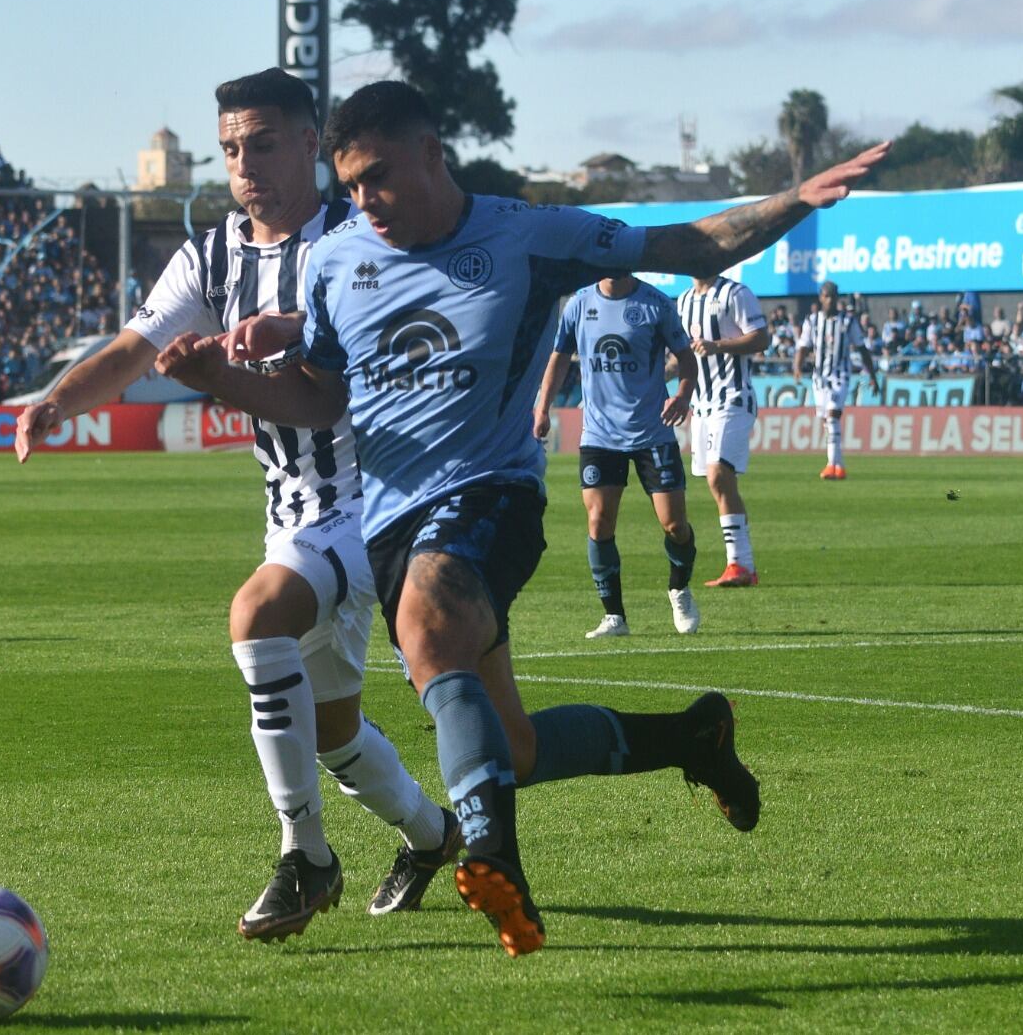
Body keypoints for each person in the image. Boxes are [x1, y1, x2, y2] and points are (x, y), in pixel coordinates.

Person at [156, 80, 886, 957]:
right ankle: (695, 737)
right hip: (390, 527)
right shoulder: (337, 262)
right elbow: (319, 397)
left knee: (429, 621)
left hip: (492, 494)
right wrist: (221, 381)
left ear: (432, 153)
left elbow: (686, 243)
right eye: (349, 185)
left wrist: (794, 201)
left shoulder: (528, 234)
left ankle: (493, 857)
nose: (364, 200)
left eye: (378, 175)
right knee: (515, 747)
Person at [14, 69, 457, 944]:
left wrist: (227, 371)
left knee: (256, 615)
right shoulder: (211, 256)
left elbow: (330, 399)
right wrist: (56, 402)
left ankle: (306, 856)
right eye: (228, 150)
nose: (243, 165)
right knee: (333, 733)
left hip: (372, 503)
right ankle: (434, 834)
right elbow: (132, 348)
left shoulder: (356, 244)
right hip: (290, 512)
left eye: (261, 144)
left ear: (310, 145)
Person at [532, 275, 701, 638]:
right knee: (599, 521)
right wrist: (542, 407)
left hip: (652, 430)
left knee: (674, 525)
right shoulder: (578, 304)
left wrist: (683, 395)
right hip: (600, 434)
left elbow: (687, 358)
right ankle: (614, 616)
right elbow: (558, 358)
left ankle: (679, 588)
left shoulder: (656, 304)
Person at [678, 274, 770, 587]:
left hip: (733, 397)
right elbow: (683, 356)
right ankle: (741, 565)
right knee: (719, 483)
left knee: (719, 474)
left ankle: (740, 564)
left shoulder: (735, 293)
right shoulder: (684, 301)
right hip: (702, 406)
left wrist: (718, 346)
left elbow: (761, 338)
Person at [794, 279, 878, 480]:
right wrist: (797, 367)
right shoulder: (812, 321)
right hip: (819, 378)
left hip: (840, 375)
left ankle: (832, 465)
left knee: (832, 416)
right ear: (821, 298)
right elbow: (803, 346)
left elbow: (862, 348)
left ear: (837, 298)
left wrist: (872, 375)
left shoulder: (848, 321)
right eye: (826, 296)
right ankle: (838, 465)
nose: (829, 300)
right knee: (826, 421)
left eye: (832, 296)